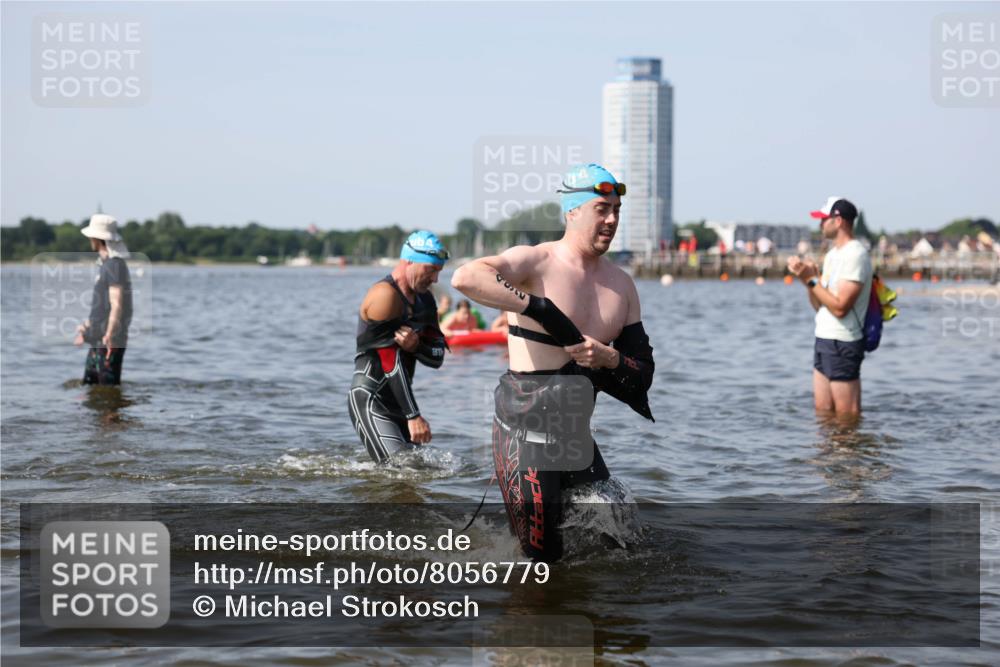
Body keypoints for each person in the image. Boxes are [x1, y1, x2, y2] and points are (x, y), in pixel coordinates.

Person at [451, 163, 654, 562]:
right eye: (601, 208)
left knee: (624, 545)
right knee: (544, 563)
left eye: (616, 210)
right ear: (572, 211)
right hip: (524, 436)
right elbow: (465, 278)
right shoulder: (536, 262)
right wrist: (540, 309)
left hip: (576, 437)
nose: (612, 219)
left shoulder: (622, 285)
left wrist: (609, 357)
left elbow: (642, 376)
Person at [349, 231, 449, 463]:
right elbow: (389, 362)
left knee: (416, 472)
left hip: (400, 400)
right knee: (401, 471)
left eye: (438, 272)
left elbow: (438, 357)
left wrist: (416, 347)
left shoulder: (425, 300)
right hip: (371, 397)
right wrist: (413, 415)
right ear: (409, 261)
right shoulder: (384, 296)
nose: (435, 279)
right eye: (431, 269)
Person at [787, 197, 872, 416]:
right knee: (823, 414)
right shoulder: (833, 255)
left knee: (847, 417)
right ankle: (826, 452)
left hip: (844, 341)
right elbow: (820, 306)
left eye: (824, 219)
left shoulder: (856, 254)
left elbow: (841, 307)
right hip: (824, 338)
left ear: (839, 220)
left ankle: (852, 451)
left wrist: (812, 280)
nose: (820, 225)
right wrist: (807, 280)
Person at [73, 214, 133, 385]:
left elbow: (117, 304)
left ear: (97, 238)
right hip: (97, 340)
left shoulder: (115, 265)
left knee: (108, 395)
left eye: (92, 236)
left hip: (108, 341)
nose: (90, 239)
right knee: (90, 390)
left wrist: (110, 335)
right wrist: (87, 328)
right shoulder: (106, 264)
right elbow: (102, 306)